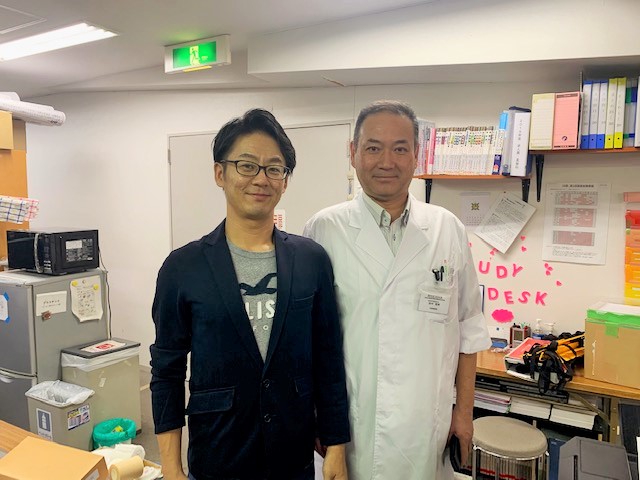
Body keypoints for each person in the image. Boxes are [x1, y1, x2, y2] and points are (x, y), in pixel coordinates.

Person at [151, 108, 350, 480]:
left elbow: (328, 359)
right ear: (220, 173)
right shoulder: (183, 267)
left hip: (293, 456)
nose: (261, 178)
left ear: (285, 182)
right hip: (218, 455)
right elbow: (167, 372)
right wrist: (171, 467)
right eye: (246, 165)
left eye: (274, 168)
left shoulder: (311, 260)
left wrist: (336, 446)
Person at [304, 100, 491, 480]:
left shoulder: (447, 229)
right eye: (373, 147)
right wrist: (314, 416)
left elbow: (469, 328)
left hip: (426, 427)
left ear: (416, 155)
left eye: (400, 148)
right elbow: (305, 340)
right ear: (353, 153)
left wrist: (464, 414)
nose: (386, 161)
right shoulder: (322, 230)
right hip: (351, 426)